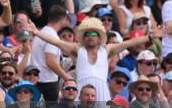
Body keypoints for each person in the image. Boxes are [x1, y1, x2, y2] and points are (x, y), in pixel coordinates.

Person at [26, 17, 157, 102]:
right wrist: (37, 32)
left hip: (101, 92)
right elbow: (55, 41)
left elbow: (130, 43)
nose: (90, 36)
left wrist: (149, 37)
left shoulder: (107, 49)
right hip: (82, 90)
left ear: (100, 37)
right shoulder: (77, 49)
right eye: (87, 34)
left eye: (93, 33)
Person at [30, 5, 71, 102]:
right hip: (47, 83)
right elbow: (50, 61)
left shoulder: (42, 32)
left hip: (38, 80)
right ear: (63, 19)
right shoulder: (51, 36)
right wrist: (66, 77)